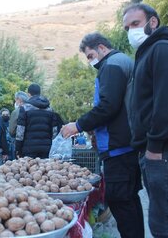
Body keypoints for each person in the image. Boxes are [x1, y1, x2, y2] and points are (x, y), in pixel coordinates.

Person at [61, 32, 144, 238]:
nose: (90, 61)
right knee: (129, 201)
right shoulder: (122, 61)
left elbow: (108, 106)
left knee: (120, 200)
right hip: (127, 145)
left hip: (120, 148)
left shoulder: (112, 65)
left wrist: (78, 125)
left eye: (90, 56)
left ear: (102, 48)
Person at [123, 3, 168, 238]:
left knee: (163, 223)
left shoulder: (163, 50)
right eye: (127, 27)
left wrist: (155, 146)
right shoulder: (149, 52)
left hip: (164, 152)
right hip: (158, 151)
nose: (131, 31)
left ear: (153, 22)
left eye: (135, 24)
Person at [16, 83, 58, 158]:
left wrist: (18, 148)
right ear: (39, 93)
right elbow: (54, 131)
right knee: (46, 169)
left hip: (29, 148)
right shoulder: (50, 110)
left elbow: (20, 131)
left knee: (29, 169)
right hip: (46, 148)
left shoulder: (24, 108)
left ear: (29, 94)